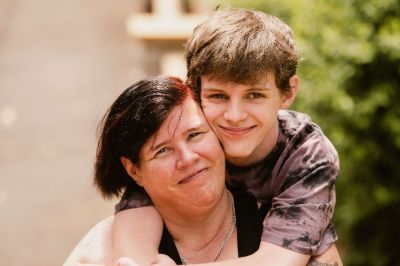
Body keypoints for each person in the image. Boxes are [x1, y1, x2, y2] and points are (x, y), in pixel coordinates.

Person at [113, 8, 342, 266]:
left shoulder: (306, 154)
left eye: (255, 95)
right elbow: (137, 207)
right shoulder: (191, 136)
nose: (234, 116)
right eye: (218, 96)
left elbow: (279, 261)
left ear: (287, 93)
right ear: (195, 91)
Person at [64, 76, 269, 266]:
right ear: (134, 171)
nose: (188, 158)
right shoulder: (99, 254)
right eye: (163, 150)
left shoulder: (278, 220)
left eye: (195, 134)